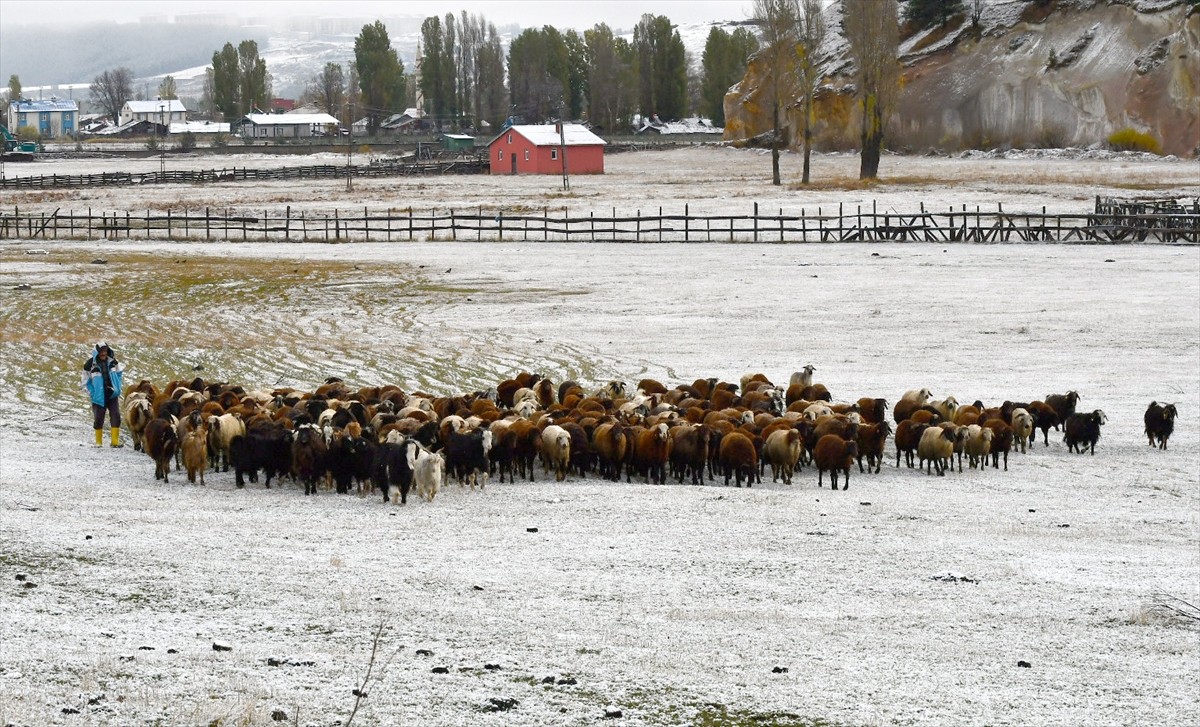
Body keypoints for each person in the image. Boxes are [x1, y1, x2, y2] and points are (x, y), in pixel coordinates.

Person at [81, 341, 125, 447]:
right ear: (97, 352)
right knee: (99, 418)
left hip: (112, 394)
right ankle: (98, 442)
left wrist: (118, 387)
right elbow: (84, 382)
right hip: (98, 396)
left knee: (116, 416)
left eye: (105, 351)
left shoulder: (113, 362)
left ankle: (115, 442)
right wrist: (92, 393)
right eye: (101, 351)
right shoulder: (89, 365)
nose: (103, 354)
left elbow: (119, 374)